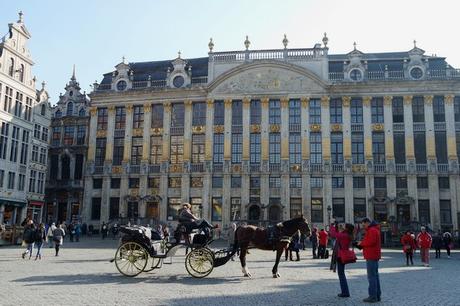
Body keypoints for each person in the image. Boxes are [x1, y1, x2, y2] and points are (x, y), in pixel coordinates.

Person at [355, 217, 381, 303]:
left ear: (367, 223)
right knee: (375, 276)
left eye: (363, 224)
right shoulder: (373, 229)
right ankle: (377, 295)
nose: (363, 226)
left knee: (372, 277)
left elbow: (371, 242)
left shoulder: (372, 230)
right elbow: (370, 241)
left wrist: (361, 243)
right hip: (373, 255)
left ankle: (373, 296)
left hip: (371, 255)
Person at [331, 223, 355, 298]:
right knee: (342, 274)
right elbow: (337, 233)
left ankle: (345, 292)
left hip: (340, 256)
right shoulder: (347, 234)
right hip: (342, 255)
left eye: (345, 226)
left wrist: (333, 226)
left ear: (347, 229)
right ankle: (345, 291)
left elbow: (333, 234)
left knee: (341, 275)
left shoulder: (344, 235)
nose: (343, 226)